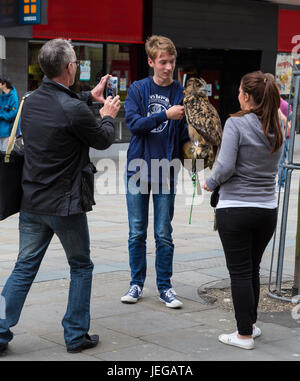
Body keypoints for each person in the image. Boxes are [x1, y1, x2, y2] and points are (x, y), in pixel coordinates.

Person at [0, 38, 120, 354]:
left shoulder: (28, 101)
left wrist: (89, 97)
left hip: (31, 202)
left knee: (24, 266)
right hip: (65, 205)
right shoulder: (74, 110)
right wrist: (107, 113)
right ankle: (76, 334)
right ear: (69, 67)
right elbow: (103, 140)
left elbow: (60, 104)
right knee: (81, 265)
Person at [203, 71, 283, 350]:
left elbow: (225, 167)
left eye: (240, 91)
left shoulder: (236, 124)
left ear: (247, 97)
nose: (237, 95)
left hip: (236, 208)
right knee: (252, 269)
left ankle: (243, 335)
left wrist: (208, 182)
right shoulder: (278, 124)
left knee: (239, 272)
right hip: (266, 210)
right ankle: (250, 324)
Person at [121, 35, 189, 308]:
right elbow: (134, 124)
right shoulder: (138, 89)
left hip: (167, 169)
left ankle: (165, 287)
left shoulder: (180, 92)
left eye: (171, 61)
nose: (168, 67)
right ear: (151, 62)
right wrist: (165, 115)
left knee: (164, 233)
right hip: (138, 167)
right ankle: (136, 283)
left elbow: (185, 134)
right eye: (163, 62)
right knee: (137, 231)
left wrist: (195, 157)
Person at [277, 94, 292, 192]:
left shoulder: (284, 105)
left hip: (284, 137)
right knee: (280, 162)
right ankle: (280, 184)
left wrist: (285, 137)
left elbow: (290, 122)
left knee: (281, 162)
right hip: (280, 137)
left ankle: (281, 184)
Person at [0, 77, 19, 151]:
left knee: (6, 154)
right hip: (1, 129)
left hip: (8, 131)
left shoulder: (13, 97)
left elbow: (13, 113)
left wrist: (1, 115)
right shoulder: (2, 96)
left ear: (4, 84)